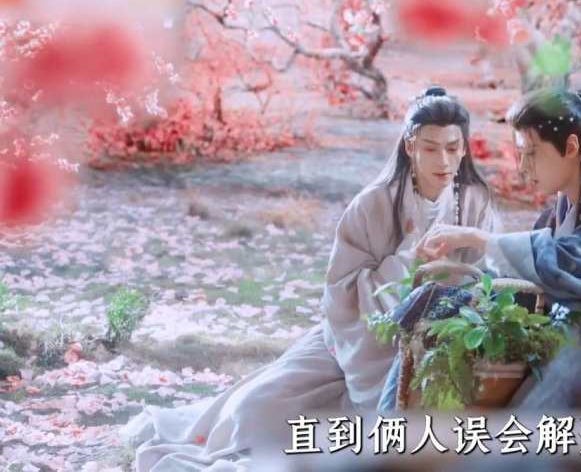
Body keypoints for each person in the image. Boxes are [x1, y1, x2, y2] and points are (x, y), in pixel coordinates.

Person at [121, 86, 502, 471]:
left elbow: (490, 279)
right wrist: (408, 258)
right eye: (430, 148)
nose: (443, 160)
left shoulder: (476, 202)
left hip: (435, 347)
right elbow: (340, 292)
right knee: (255, 411)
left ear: (464, 148)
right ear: (409, 146)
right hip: (352, 342)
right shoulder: (372, 204)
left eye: (452, 148)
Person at [404, 88, 581, 467]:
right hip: (567, 359)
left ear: (571, 146)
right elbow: (524, 283)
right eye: (520, 154)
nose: (522, 167)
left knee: (575, 320)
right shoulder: (552, 219)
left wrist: (475, 237)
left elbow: (569, 263)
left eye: (531, 153)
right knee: (441, 304)